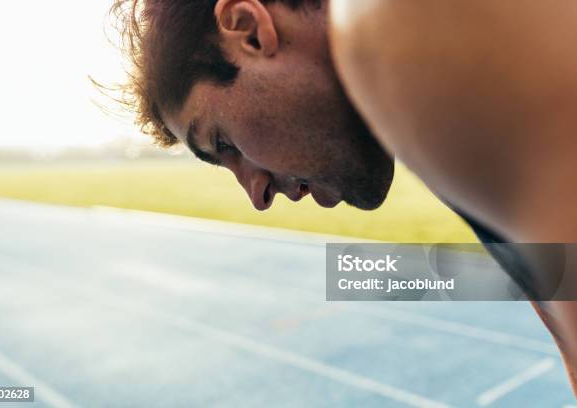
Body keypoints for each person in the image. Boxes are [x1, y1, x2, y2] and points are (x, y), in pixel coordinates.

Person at [109, 0, 577, 392]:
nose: (257, 194)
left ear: (250, 30)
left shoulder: (403, 27)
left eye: (224, 143)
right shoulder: (411, 101)